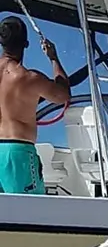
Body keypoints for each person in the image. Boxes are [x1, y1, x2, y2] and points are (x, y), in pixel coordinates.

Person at [0, 15, 69, 194]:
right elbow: (63, 95)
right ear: (26, 44)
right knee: (28, 209)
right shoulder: (29, 78)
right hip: (17, 153)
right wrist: (53, 58)